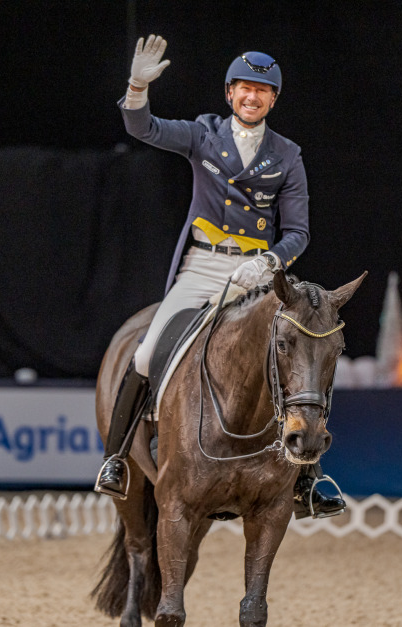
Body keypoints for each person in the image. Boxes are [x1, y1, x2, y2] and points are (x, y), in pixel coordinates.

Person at [94, 35, 345, 518]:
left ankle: (308, 481)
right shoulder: (202, 134)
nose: (252, 97)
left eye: (263, 90)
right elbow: (143, 128)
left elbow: (298, 232)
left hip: (258, 271)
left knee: (304, 351)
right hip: (205, 266)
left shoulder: (288, 155)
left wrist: (270, 263)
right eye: (244, 88)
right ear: (229, 93)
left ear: (273, 99)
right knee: (147, 353)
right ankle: (117, 459)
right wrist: (137, 86)